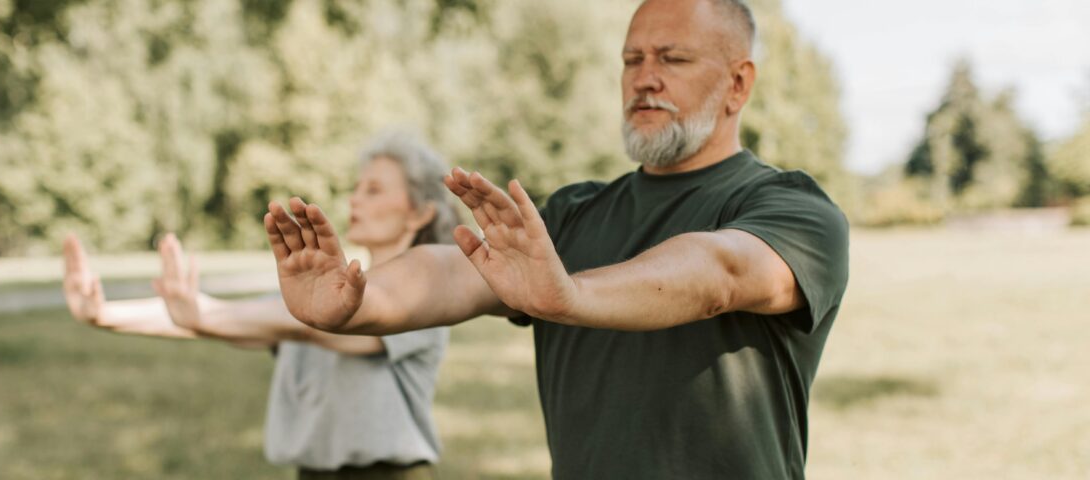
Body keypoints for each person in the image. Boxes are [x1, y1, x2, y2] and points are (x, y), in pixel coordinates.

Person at [259, 0, 850, 478]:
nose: (645, 79)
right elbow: (450, 271)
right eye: (631, 58)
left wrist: (571, 295)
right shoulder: (574, 213)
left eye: (673, 58)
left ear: (738, 84)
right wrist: (360, 303)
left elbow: (721, 273)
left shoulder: (794, 209)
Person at [63, 132, 459, 480]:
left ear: (421, 212)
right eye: (356, 187)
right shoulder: (313, 298)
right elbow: (234, 320)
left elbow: (302, 325)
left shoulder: (424, 297)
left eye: (374, 189)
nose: (355, 198)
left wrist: (202, 315)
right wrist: (104, 314)